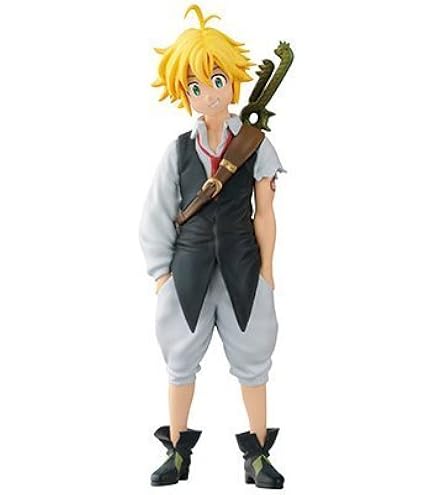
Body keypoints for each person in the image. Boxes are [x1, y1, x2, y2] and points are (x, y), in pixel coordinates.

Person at [139, 4, 287, 489]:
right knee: (180, 359)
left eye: (217, 80)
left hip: (244, 267)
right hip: (187, 270)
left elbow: (265, 213)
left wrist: (268, 270)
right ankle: (177, 451)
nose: (209, 94)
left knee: (254, 359)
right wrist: (161, 275)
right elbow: (158, 212)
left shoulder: (255, 145)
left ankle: (257, 455)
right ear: (186, 94)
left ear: (233, 82)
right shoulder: (178, 151)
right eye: (196, 87)